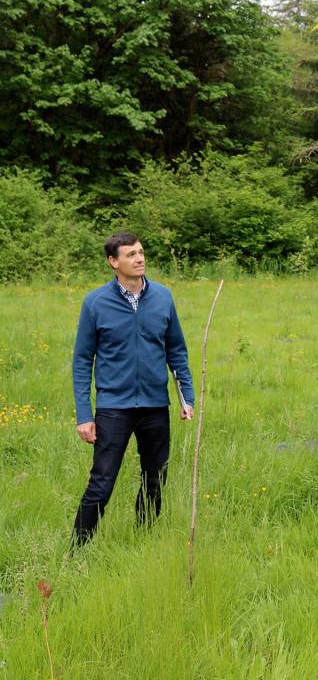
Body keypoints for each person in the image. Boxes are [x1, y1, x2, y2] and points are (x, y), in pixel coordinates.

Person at [71, 231, 194, 545]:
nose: (139, 259)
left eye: (140, 252)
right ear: (113, 262)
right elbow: (82, 360)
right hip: (114, 407)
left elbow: (176, 350)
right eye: (131, 254)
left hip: (155, 406)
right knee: (102, 483)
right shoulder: (95, 303)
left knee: (155, 479)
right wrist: (84, 415)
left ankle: (145, 542)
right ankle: (77, 551)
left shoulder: (163, 297)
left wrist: (186, 397)